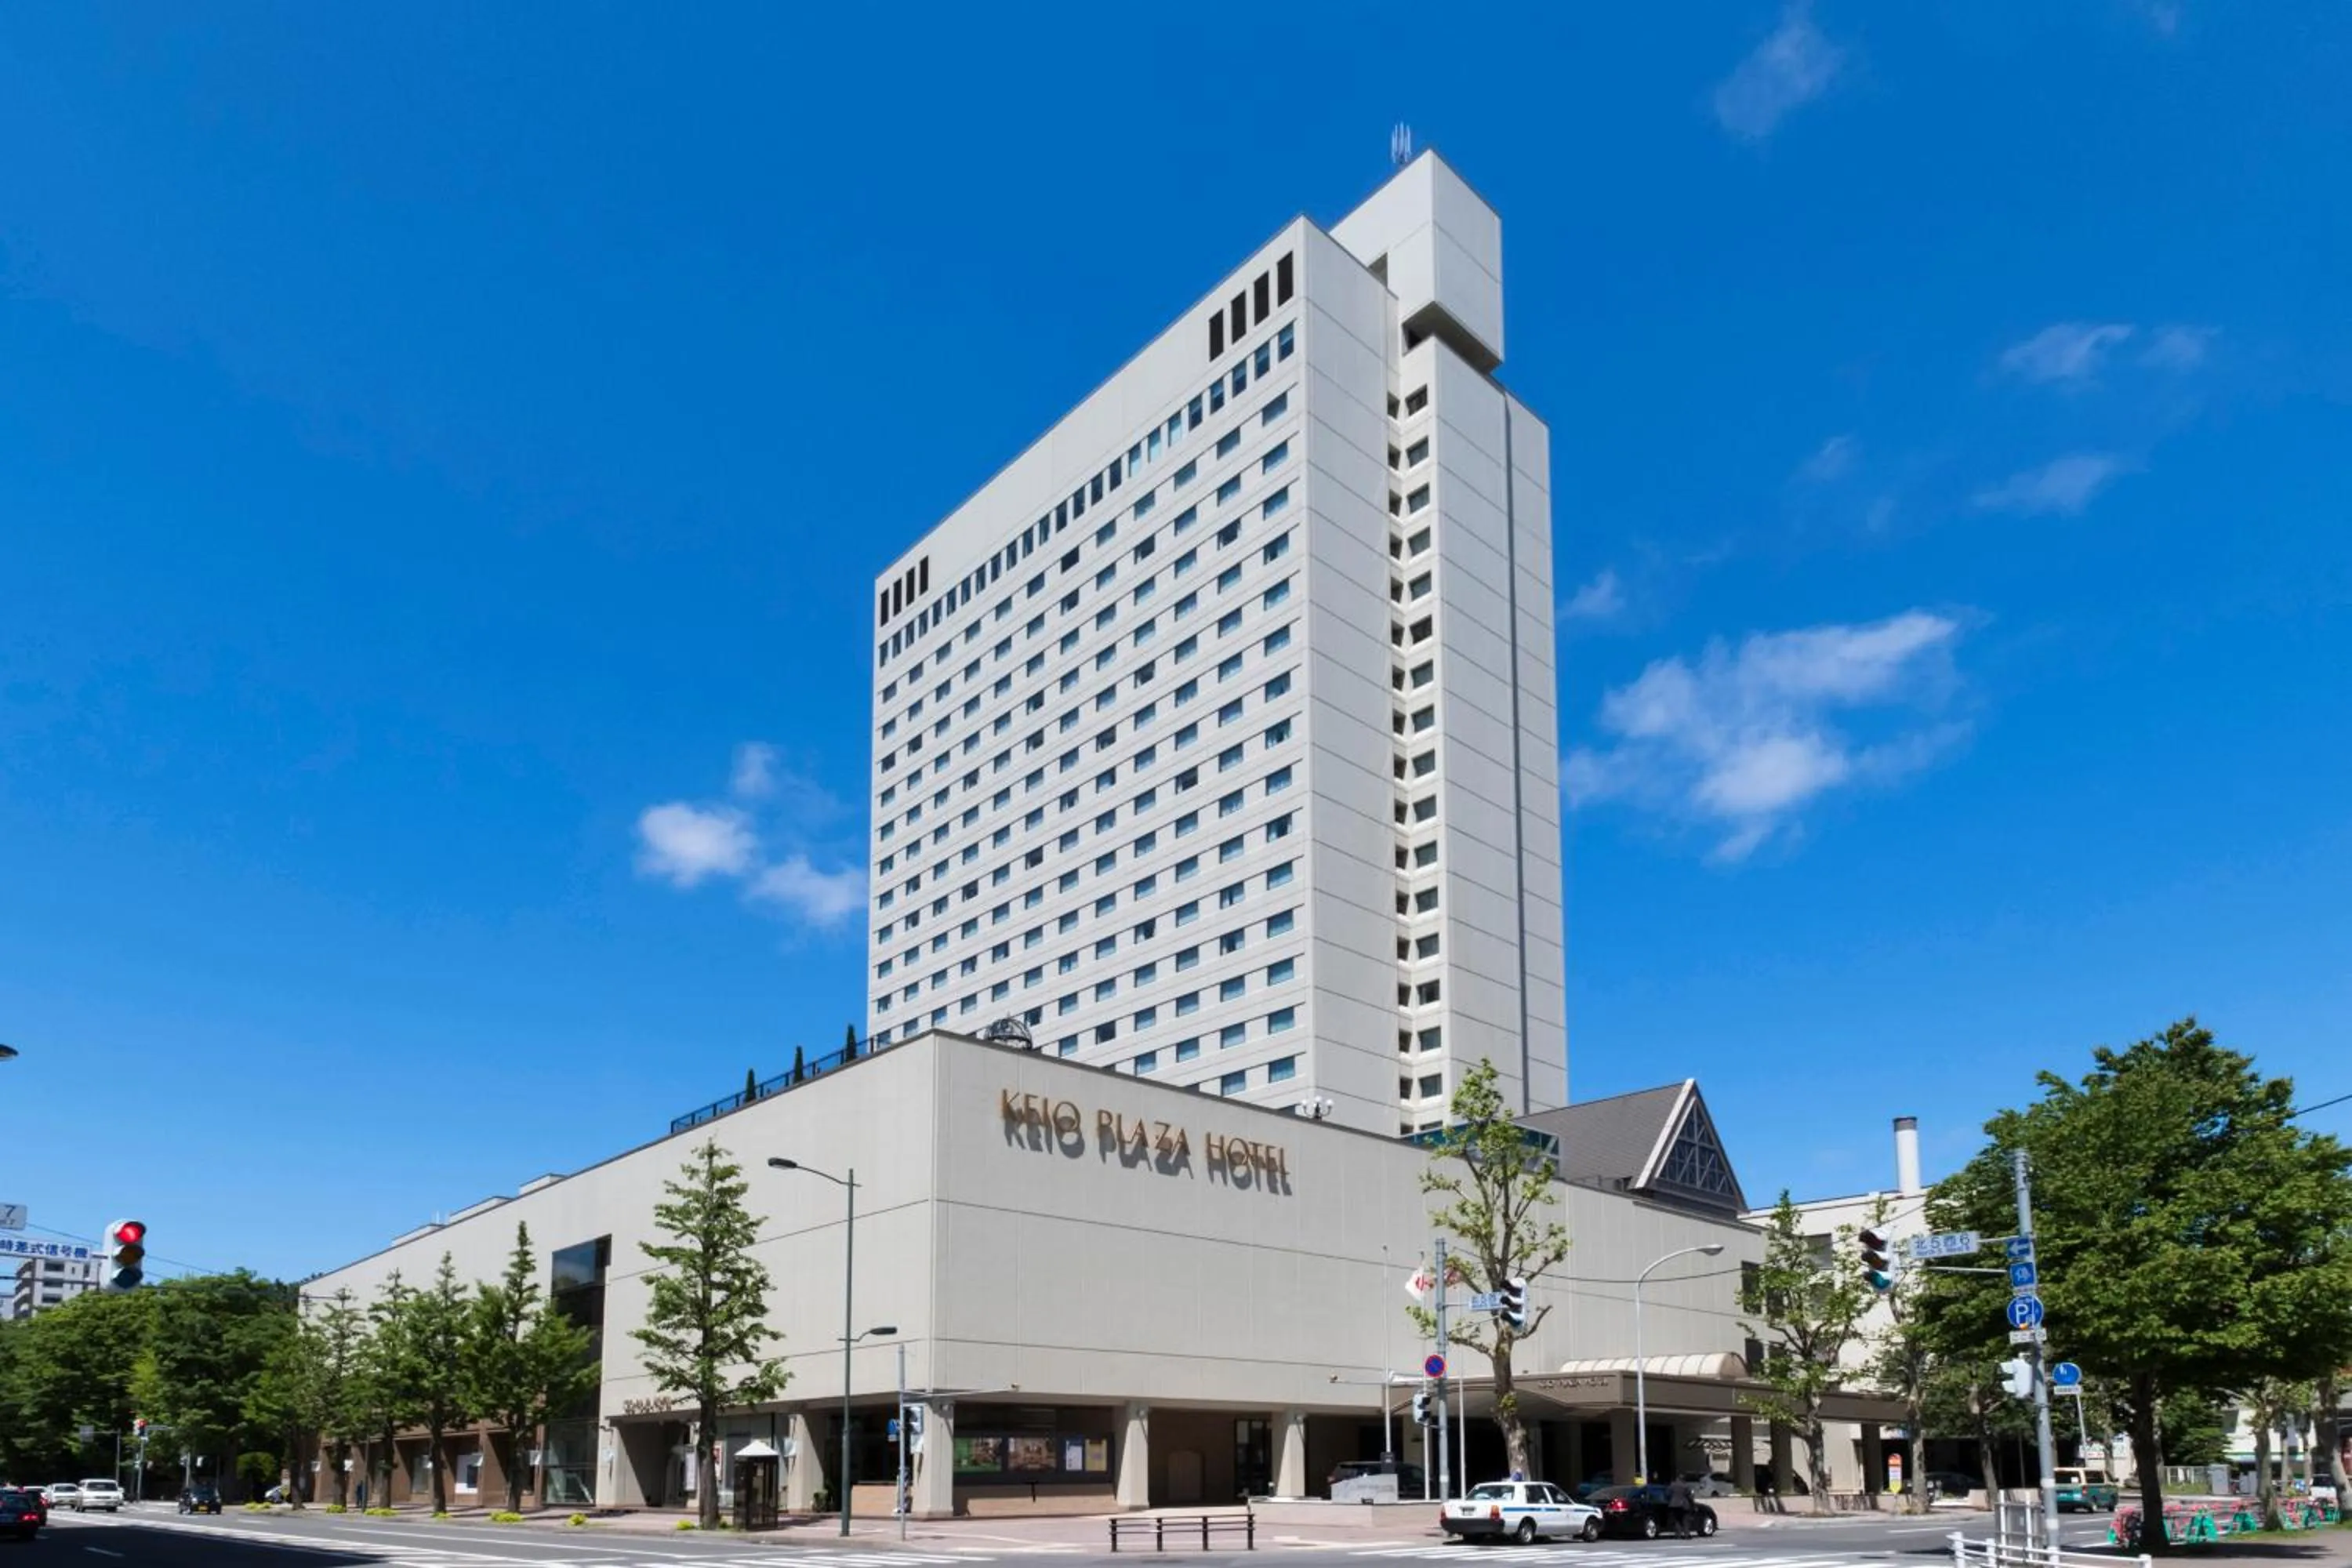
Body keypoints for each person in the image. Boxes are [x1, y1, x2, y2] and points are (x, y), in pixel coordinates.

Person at [1667, 1475, 1695, 1539]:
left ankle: (1678, 1535)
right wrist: (1692, 1504)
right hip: (1684, 1505)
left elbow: (1667, 1494)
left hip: (1674, 1505)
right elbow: (1690, 1496)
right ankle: (1686, 1535)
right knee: (1685, 1520)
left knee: (1677, 1520)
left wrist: (1671, 1500)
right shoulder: (1686, 1486)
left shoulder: (1672, 1485)